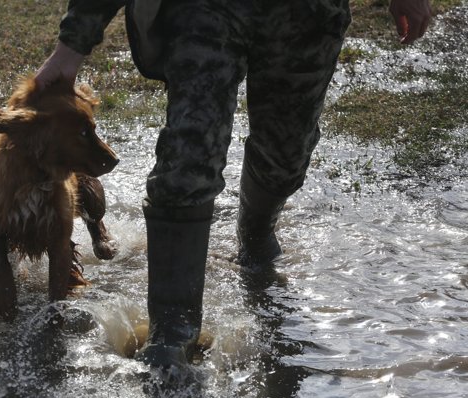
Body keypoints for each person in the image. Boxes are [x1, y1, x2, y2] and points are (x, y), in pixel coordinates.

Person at [34, 0, 433, 369]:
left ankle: (255, 232)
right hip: (204, 9)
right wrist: (73, 43)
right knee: (186, 158)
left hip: (304, 14)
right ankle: (173, 330)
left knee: (284, 160)